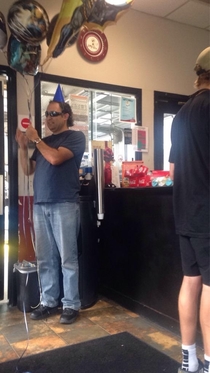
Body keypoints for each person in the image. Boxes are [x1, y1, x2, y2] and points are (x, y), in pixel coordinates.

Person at [16, 97, 86, 324]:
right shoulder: (42, 142)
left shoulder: (75, 137)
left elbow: (55, 159)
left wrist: (35, 139)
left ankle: (71, 304)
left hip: (64, 203)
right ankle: (48, 301)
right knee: (45, 258)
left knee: (68, 258)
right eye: (46, 114)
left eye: (52, 114)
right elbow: (28, 170)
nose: (47, 118)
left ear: (65, 116)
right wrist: (22, 147)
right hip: (41, 205)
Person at [169, 47, 210, 373]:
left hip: (184, 213)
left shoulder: (181, 114)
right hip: (208, 214)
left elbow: (172, 171)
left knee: (190, 280)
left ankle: (189, 360)